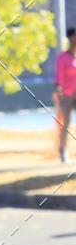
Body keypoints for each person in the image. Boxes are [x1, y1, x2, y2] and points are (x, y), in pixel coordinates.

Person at [54, 27, 76, 162]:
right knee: (66, 122)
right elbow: (58, 77)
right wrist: (59, 90)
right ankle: (62, 151)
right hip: (66, 95)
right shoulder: (62, 57)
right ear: (70, 38)